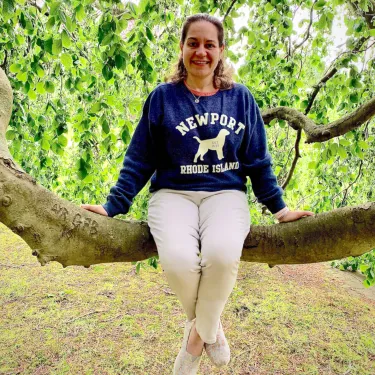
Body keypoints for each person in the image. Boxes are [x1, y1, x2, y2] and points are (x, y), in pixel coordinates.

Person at [81, 13, 314, 375]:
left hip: (226, 194)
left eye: (209, 44)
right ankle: (212, 327)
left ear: (221, 51)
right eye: (193, 43)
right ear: (182, 47)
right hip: (172, 194)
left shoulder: (240, 99)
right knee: (177, 262)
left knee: (221, 257)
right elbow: (140, 158)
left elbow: (257, 161)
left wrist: (279, 209)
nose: (201, 51)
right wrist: (113, 206)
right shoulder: (162, 98)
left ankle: (195, 338)